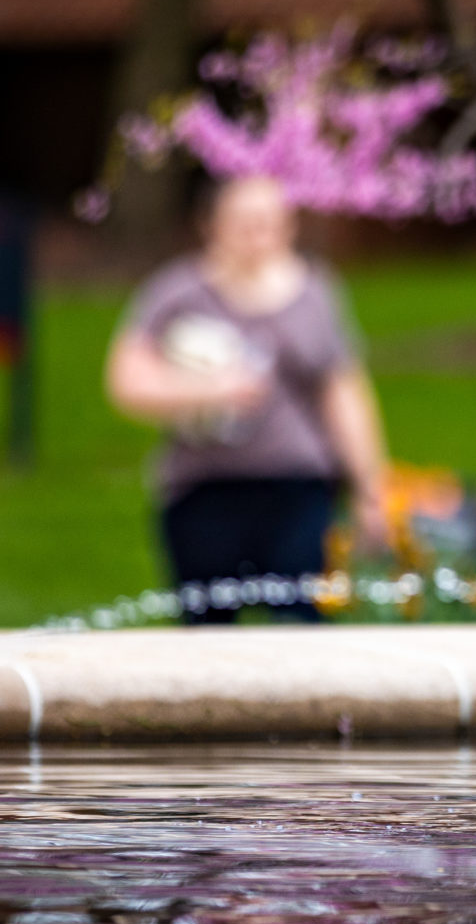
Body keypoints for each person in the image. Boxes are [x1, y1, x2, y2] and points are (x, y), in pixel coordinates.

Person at [105, 175, 390, 623]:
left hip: (299, 487)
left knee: (301, 623)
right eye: (244, 223)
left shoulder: (315, 293)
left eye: (269, 223)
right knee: (207, 631)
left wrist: (370, 485)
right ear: (212, 225)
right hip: (203, 488)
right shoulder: (177, 293)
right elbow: (127, 380)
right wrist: (207, 389)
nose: (258, 236)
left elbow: (343, 391)